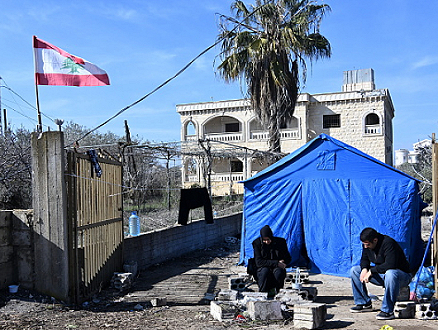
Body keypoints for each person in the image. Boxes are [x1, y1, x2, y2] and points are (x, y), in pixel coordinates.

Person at [350, 227, 412, 320]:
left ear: (375, 240)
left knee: (391, 273)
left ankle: (387, 311)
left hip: (400, 276)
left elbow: (391, 264)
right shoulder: (367, 245)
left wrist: (371, 271)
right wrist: (364, 269)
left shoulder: (388, 243)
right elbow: (364, 259)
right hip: (382, 275)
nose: (365, 247)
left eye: (367, 244)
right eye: (364, 244)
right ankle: (363, 303)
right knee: (355, 270)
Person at [252, 225, 291, 296]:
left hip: (277, 267)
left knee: (279, 272)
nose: (267, 242)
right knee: (264, 272)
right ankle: (262, 294)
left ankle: (278, 293)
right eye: (264, 240)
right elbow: (259, 262)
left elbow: (288, 258)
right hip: (263, 267)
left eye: (268, 239)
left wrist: (283, 261)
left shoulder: (281, 242)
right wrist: (276, 263)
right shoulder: (257, 243)